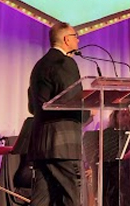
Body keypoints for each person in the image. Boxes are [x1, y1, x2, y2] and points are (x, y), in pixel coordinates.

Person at [28, 21, 88, 206]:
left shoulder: (39, 65)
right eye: (75, 36)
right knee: (72, 199)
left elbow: (33, 106)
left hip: (41, 144)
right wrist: (88, 113)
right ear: (66, 39)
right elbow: (72, 100)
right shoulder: (65, 62)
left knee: (41, 200)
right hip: (63, 144)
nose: (78, 40)